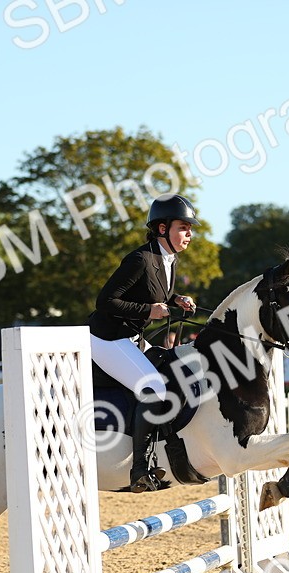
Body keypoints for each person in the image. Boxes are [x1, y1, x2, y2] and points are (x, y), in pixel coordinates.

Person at [88, 193, 198, 493]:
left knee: (171, 371)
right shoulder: (139, 259)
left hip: (132, 338)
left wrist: (176, 300)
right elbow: (105, 301)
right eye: (183, 228)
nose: (189, 234)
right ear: (162, 228)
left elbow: (153, 292)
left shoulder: (169, 259)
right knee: (154, 388)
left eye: (189, 228)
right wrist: (149, 311)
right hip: (107, 337)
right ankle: (139, 468)